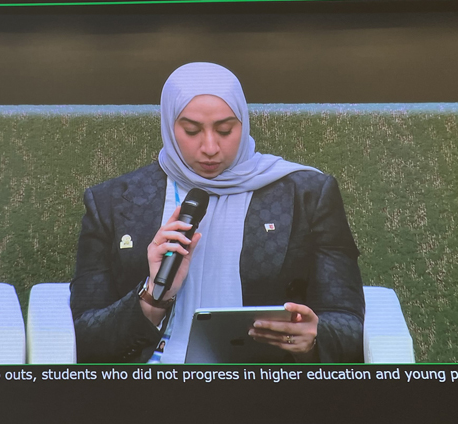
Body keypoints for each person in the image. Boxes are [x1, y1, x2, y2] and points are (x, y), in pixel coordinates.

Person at [70, 62, 364, 364]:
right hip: (151, 386)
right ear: (169, 125)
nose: (210, 147)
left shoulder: (306, 195)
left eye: (225, 130)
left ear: (243, 122)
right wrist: (152, 297)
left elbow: (349, 324)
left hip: (266, 385)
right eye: (191, 130)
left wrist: (314, 339)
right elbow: (84, 336)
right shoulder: (114, 202)